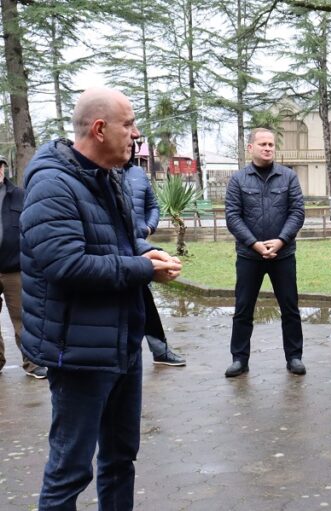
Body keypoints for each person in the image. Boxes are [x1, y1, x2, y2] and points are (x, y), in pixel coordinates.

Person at [20, 87, 182, 510]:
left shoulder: (109, 177)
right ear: (99, 128)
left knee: (119, 458)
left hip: (121, 344)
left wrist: (146, 254)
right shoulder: (52, 185)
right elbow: (67, 265)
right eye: (128, 125)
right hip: (77, 354)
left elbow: (118, 245)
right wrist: (144, 269)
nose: (135, 133)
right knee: (69, 471)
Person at [225, 128, 306, 377]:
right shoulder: (238, 180)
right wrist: (254, 244)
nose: (268, 148)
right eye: (263, 144)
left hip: (283, 255)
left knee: (290, 307)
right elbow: (232, 216)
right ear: (251, 148)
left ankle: (294, 357)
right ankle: (239, 359)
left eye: (271, 144)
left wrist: (281, 241)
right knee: (243, 308)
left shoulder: (288, 177)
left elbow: (297, 212)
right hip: (250, 256)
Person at [124, 163, 186, 366]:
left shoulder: (137, 173)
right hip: (115, 246)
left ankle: (159, 349)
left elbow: (153, 206)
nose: (131, 140)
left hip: (140, 244)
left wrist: (148, 228)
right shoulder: (103, 171)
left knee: (145, 299)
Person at [0, 155, 46, 378]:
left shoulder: (19, 195)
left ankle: (32, 362)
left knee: (23, 317)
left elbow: (34, 227)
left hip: (14, 267)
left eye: (0, 166)